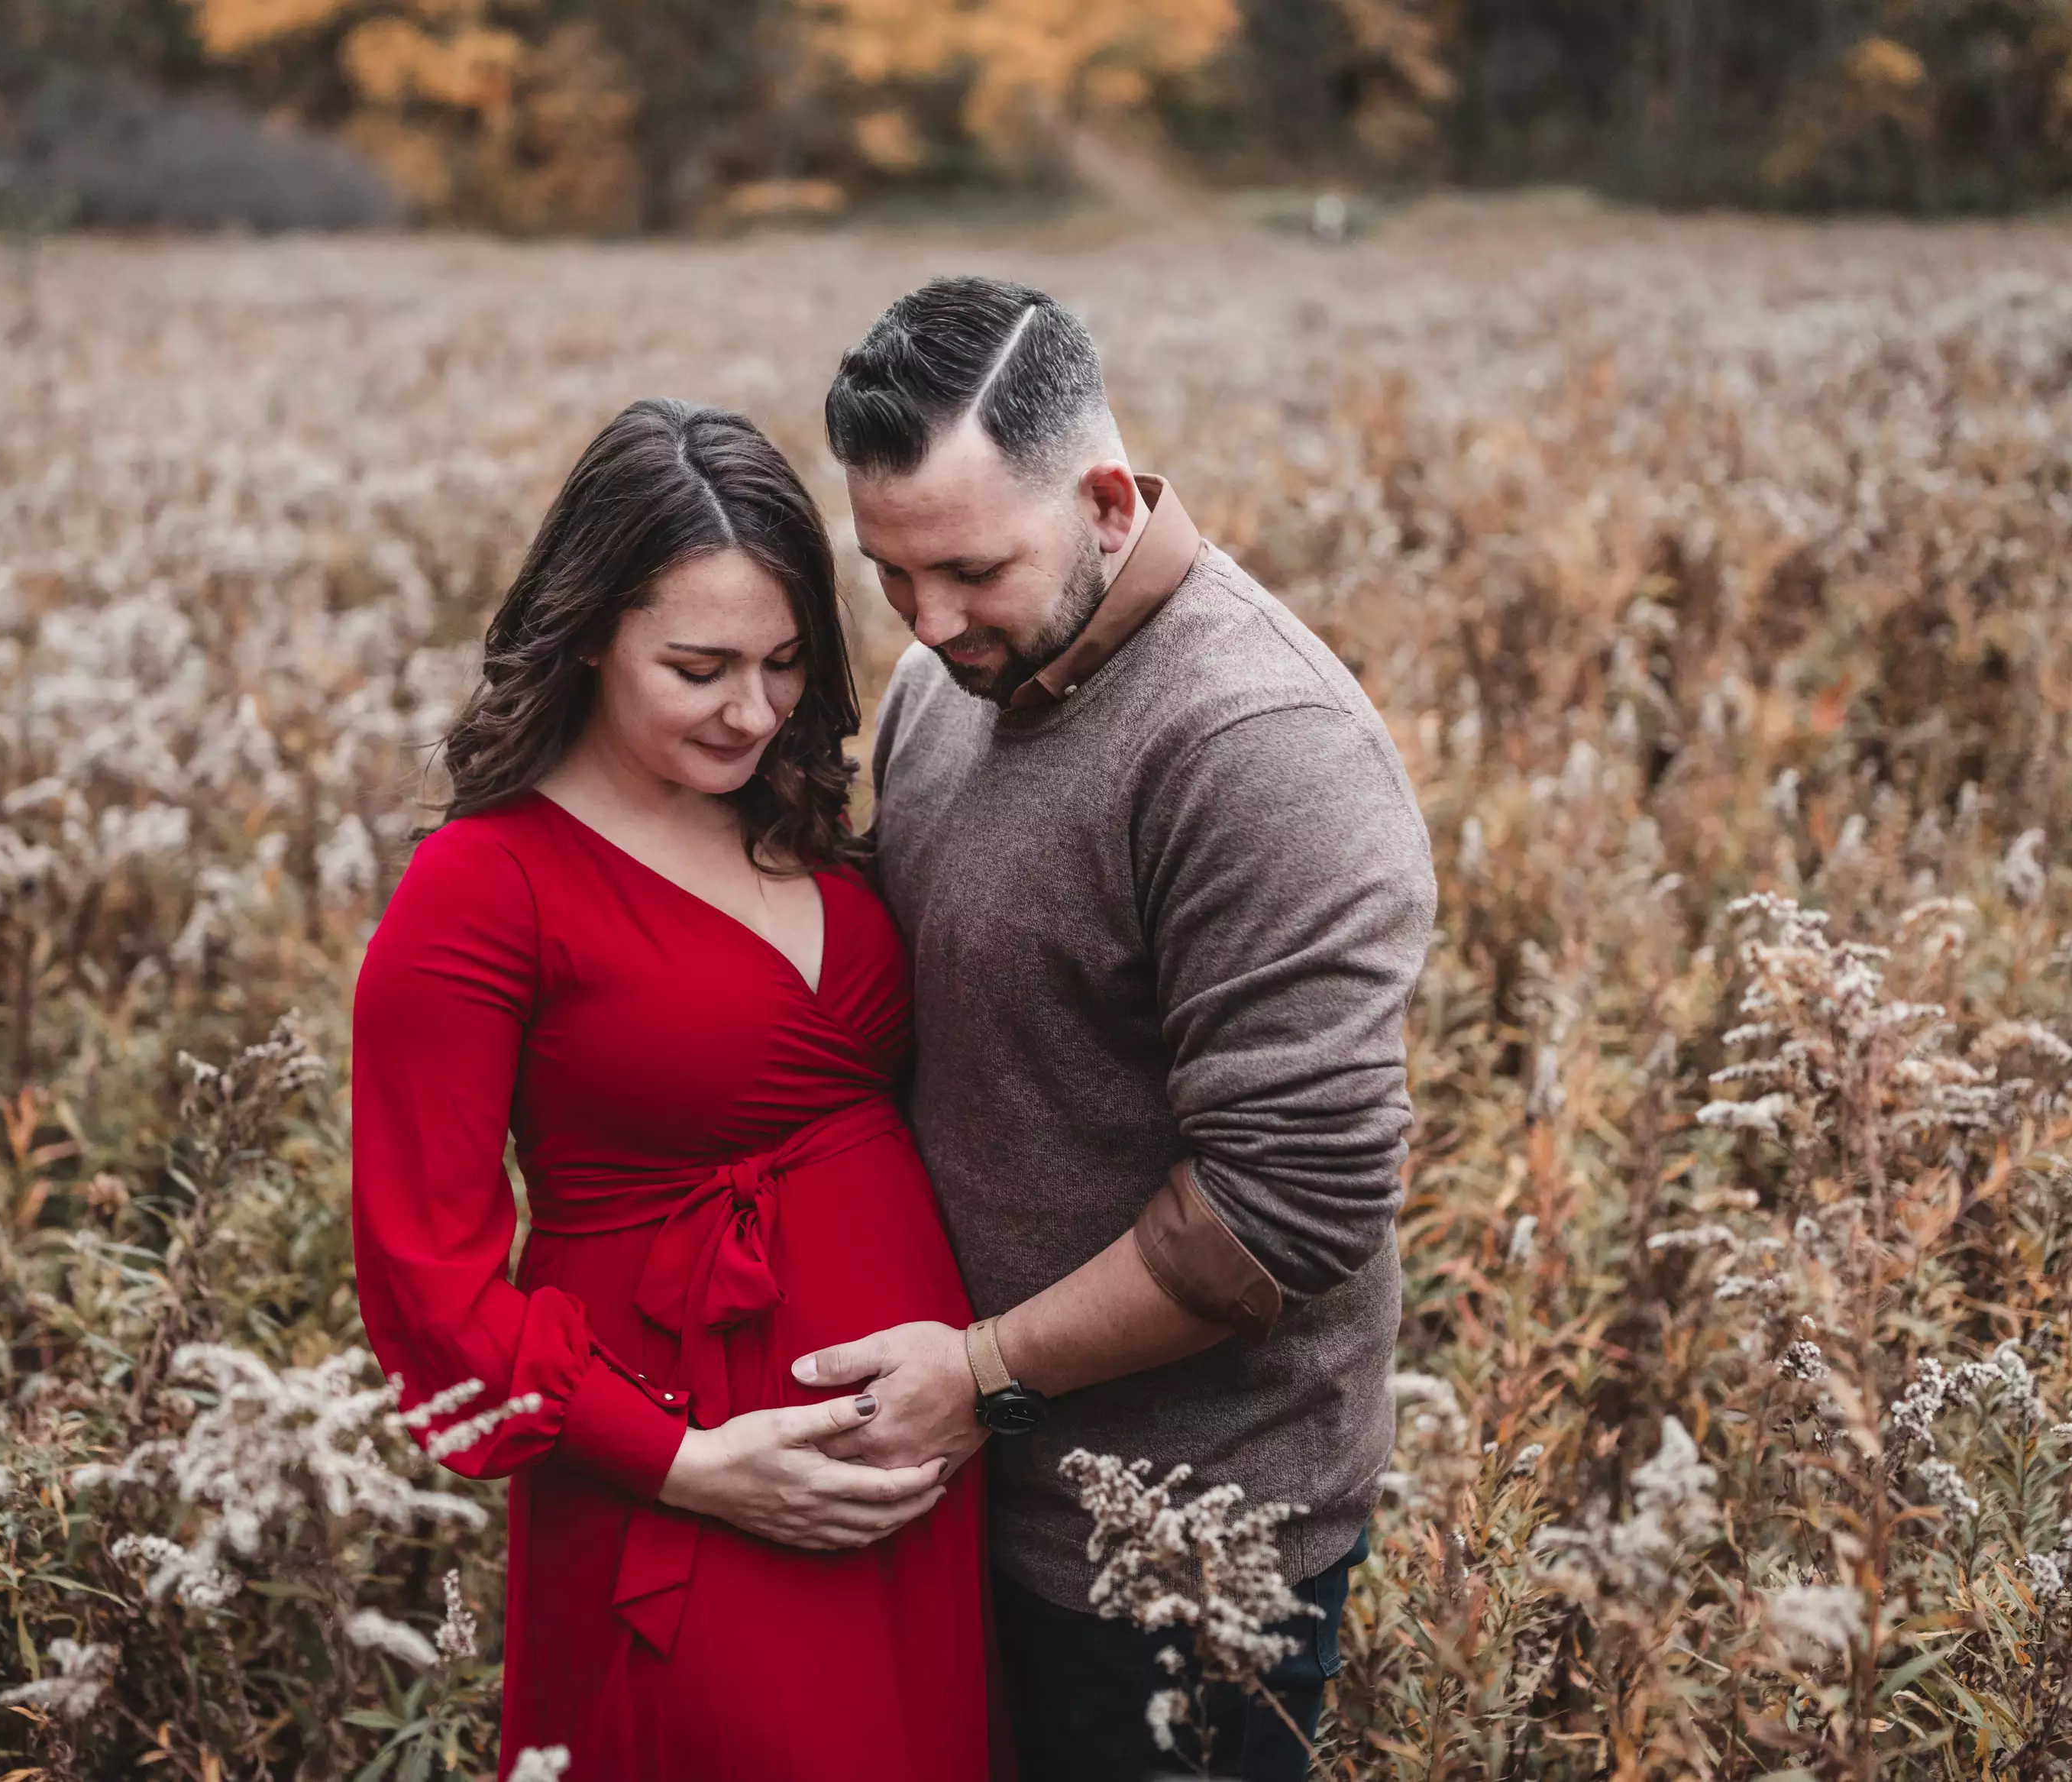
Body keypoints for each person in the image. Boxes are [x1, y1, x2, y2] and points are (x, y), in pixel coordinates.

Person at [794, 277, 1437, 1782]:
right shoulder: (946, 682)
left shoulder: (1258, 747)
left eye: (966, 568)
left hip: (1181, 1541)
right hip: (955, 1485)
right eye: (888, 572)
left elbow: (1289, 1206)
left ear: (1099, 497)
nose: (928, 619)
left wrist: (979, 1369)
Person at [349, 398, 991, 1782]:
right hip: (687, 1489)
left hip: (915, 1472)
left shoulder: (797, 809)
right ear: (589, 631)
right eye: (698, 667)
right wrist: (693, 1464)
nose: (752, 709)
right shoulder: (480, 889)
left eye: (782, 662)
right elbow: (426, 1286)